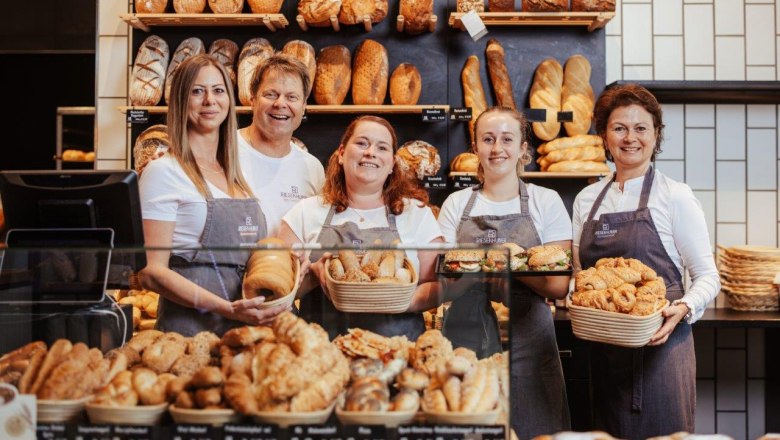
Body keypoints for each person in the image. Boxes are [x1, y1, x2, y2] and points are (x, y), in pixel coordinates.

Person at [572, 83, 720, 439]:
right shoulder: (587, 199)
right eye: (619, 128)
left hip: (662, 350)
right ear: (604, 136)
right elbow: (581, 273)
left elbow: (707, 276)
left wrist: (682, 308)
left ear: (656, 135)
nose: (630, 138)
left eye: (641, 128)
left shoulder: (675, 196)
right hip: (605, 351)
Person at [437, 106, 572, 438]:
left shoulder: (546, 201)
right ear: (475, 148)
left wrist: (505, 263)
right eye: (488, 139)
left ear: (523, 149)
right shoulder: (456, 203)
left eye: (507, 139)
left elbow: (557, 284)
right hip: (463, 338)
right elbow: (441, 277)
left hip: (529, 338)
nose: (497, 148)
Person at [139, 54, 289, 337]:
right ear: (181, 101)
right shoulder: (163, 172)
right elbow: (151, 273)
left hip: (242, 332)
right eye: (197, 91)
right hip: (188, 334)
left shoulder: (237, 177)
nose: (210, 100)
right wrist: (226, 308)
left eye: (218, 90)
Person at [278, 115, 444, 340]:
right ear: (341, 154)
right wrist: (313, 276)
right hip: (323, 355)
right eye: (362, 143)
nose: (371, 152)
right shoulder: (305, 212)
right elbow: (278, 291)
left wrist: (398, 302)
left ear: (392, 164)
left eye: (382, 147)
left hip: (397, 355)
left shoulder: (416, 213)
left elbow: (438, 285)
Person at [238, 54, 325, 237]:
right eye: (271, 94)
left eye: (292, 97)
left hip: (289, 266)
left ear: (303, 107)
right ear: (252, 99)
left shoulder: (312, 168)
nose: (280, 104)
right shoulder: (223, 150)